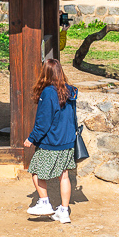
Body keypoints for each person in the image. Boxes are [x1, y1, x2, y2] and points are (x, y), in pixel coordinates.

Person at [24, 58, 78, 224]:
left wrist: (31, 138)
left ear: (45, 73)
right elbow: (73, 117)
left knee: (36, 171)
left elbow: (43, 121)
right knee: (64, 176)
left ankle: (44, 203)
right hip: (68, 140)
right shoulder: (71, 91)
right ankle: (64, 211)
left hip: (51, 141)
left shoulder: (48, 92)